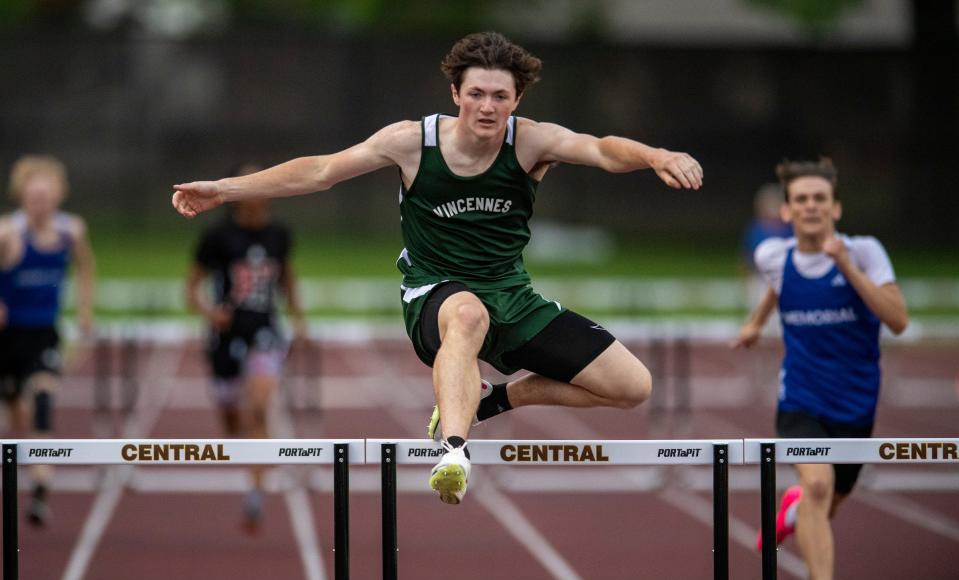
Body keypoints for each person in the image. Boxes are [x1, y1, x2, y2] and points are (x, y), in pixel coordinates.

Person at [173, 32, 703, 505]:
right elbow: (321, 171)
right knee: (467, 315)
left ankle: (492, 400)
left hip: (513, 298)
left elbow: (602, 149)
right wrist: (223, 190)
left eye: (500, 96)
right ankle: (453, 452)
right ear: (455, 94)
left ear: (517, 99)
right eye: (476, 94)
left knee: (632, 386)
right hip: (435, 295)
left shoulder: (531, 141)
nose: (488, 107)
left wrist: (654, 154)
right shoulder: (411, 142)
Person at [732, 158, 908, 580]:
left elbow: (898, 320)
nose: (810, 206)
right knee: (816, 489)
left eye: (819, 199)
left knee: (823, 507)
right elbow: (776, 284)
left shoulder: (866, 252)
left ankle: (788, 513)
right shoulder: (773, 254)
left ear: (835, 208)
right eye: (801, 200)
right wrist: (755, 323)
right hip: (801, 400)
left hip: (856, 404)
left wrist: (846, 266)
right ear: (787, 213)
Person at [185, 161, 306, 531]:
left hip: (265, 331)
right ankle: (247, 446)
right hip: (226, 333)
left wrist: (299, 317)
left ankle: (256, 493)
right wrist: (210, 313)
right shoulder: (218, 236)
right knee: (230, 415)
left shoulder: (279, 234)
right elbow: (191, 288)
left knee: (258, 410)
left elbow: (286, 277)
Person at [0, 155, 95, 526]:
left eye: (46, 195)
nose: (39, 202)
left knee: (42, 398)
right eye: (32, 196)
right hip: (7, 338)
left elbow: (86, 266)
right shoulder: (7, 233)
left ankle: (40, 491)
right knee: (16, 411)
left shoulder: (72, 231)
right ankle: (26, 460)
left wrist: (85, 310)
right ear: (22, 196)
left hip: (44, 333)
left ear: (58, 196)